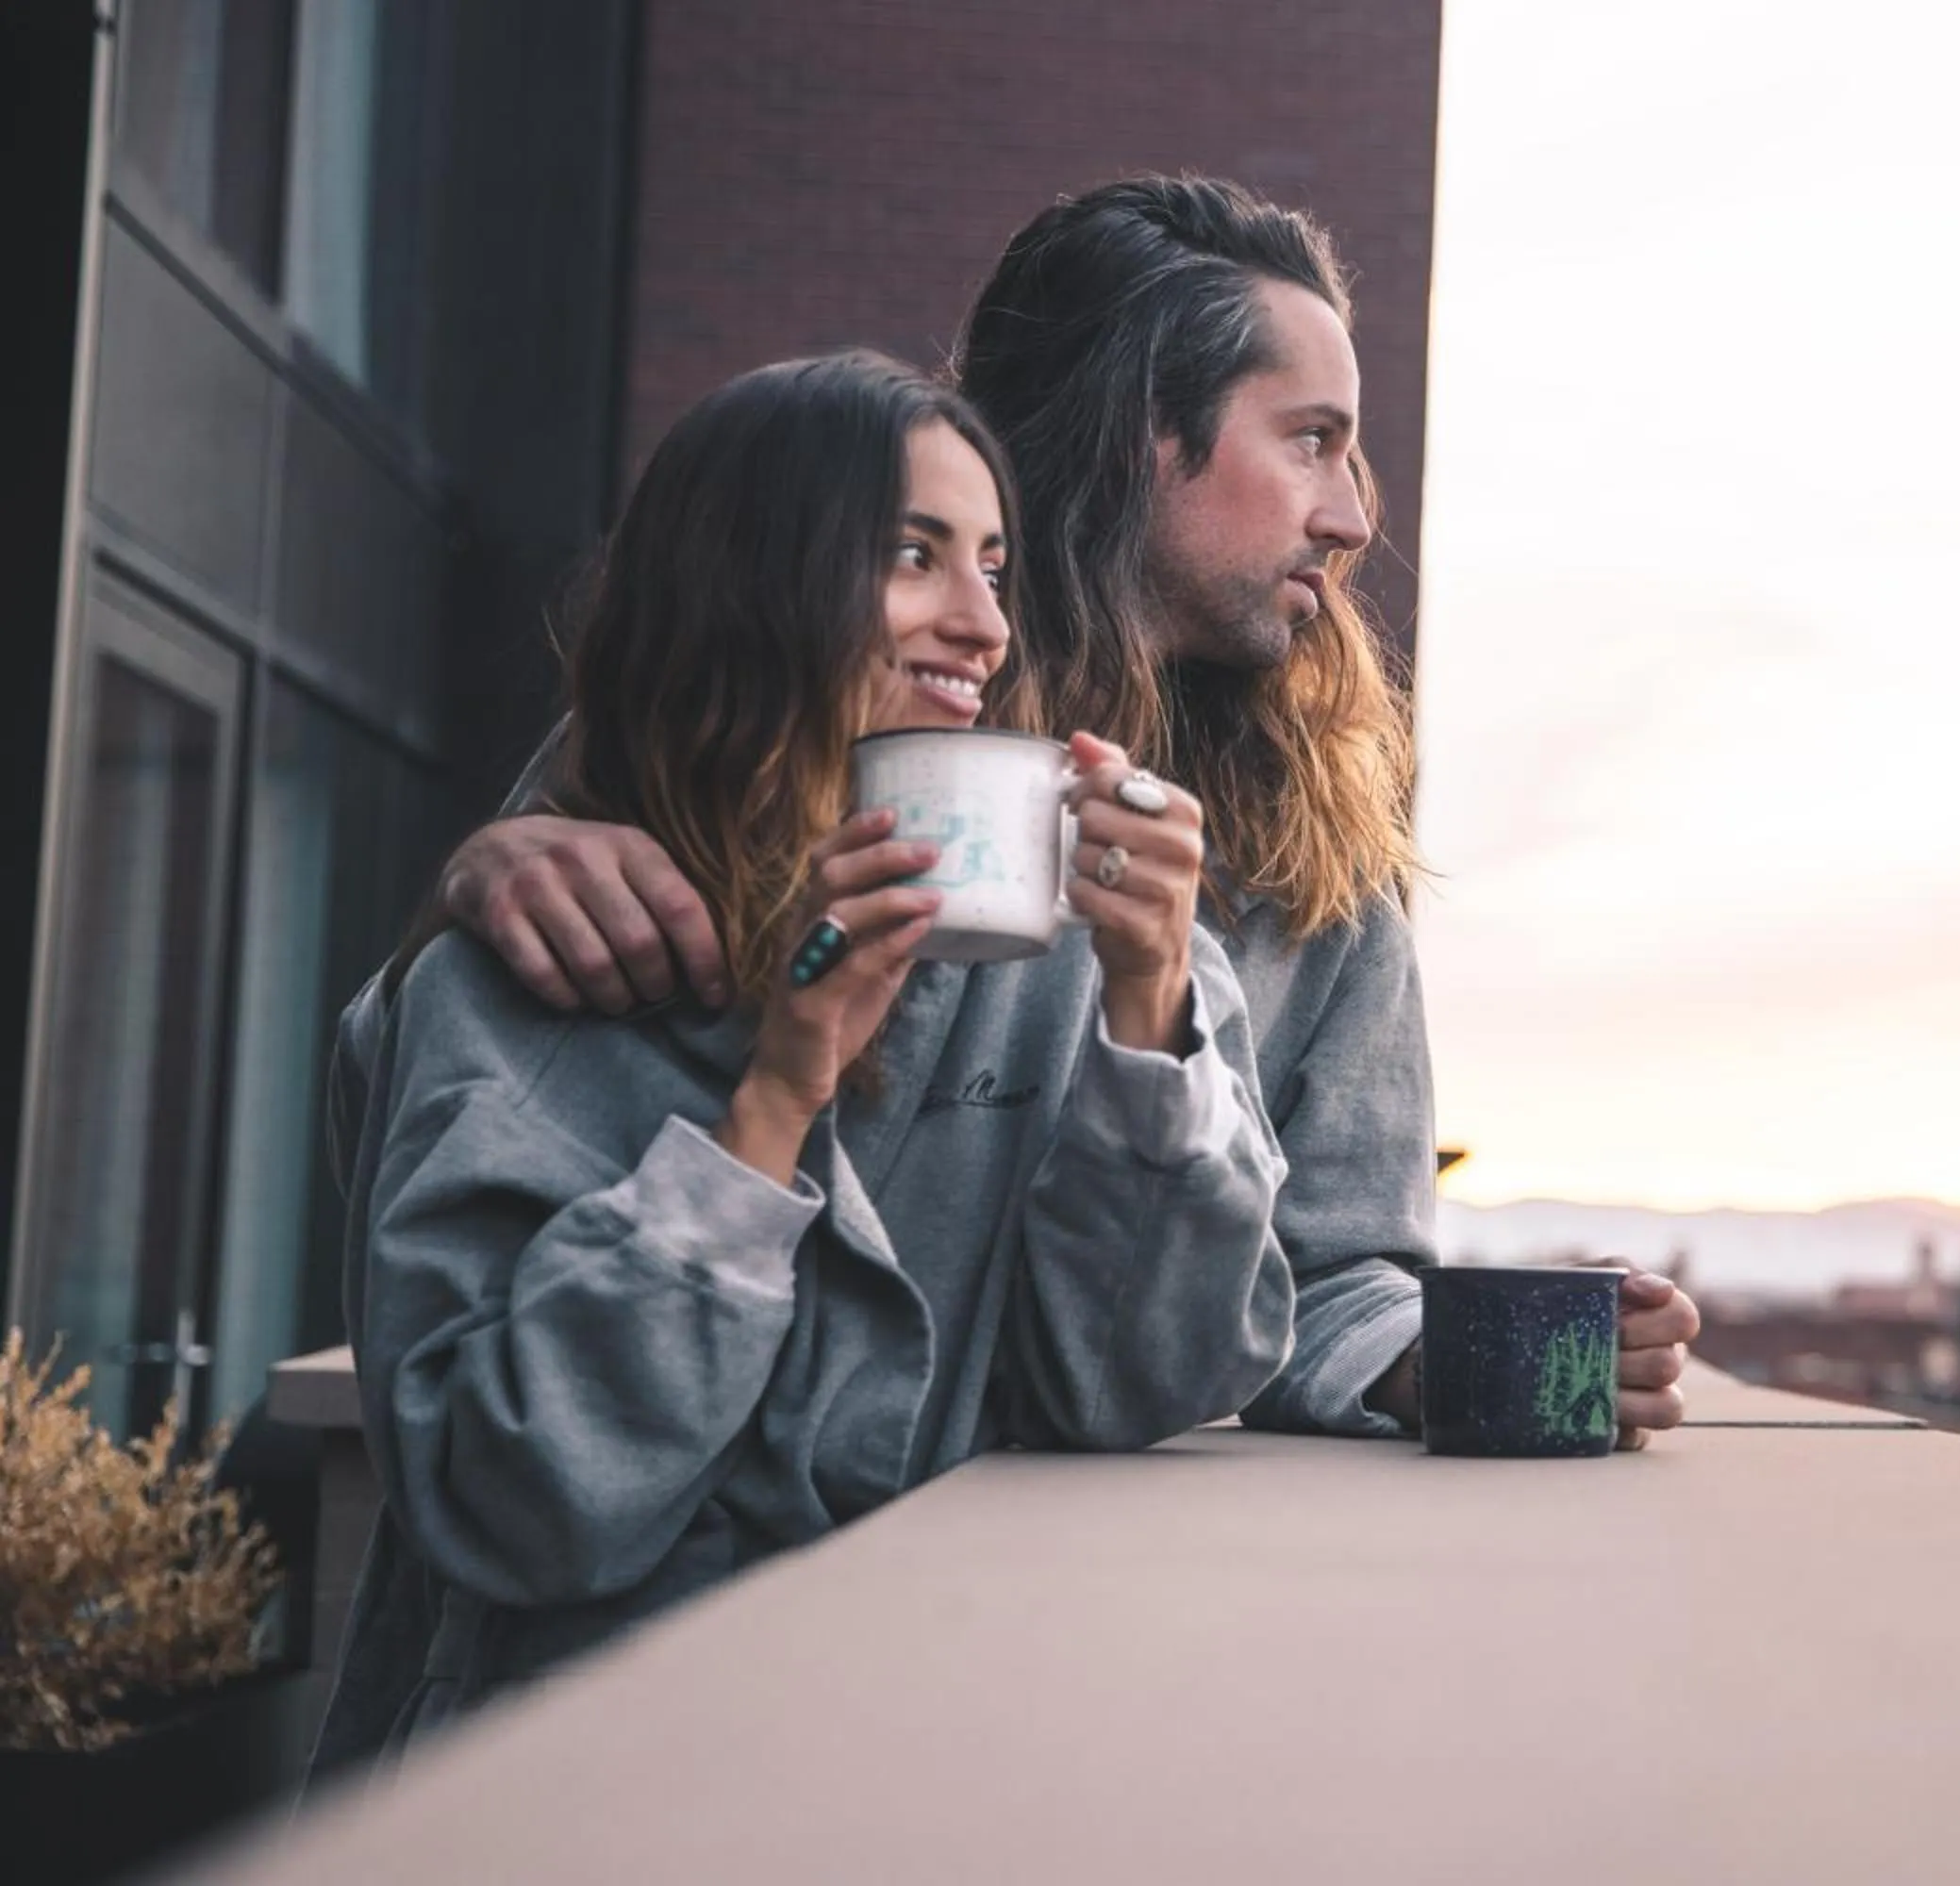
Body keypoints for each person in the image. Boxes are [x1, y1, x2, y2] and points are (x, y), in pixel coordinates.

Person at [370, 176, 1699, 1446]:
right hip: (693, 1524)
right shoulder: (779, 736)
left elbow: (1321, 1283)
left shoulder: (1315, 852)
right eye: (1312, 442)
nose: (1354, 517)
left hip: (1024, 1560)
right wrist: (489, 871)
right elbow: (458, 1086)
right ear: (1141, 437)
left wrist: (1493, 1354)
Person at [312, 353, 1291, 1776]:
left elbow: (1151, 1383)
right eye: (914, 556)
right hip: (577, 1781)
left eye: (994, 567)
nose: (983, 623)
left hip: (937, 1752)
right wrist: (770, 1104)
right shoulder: (528, 973)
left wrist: (1149, 1013)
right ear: (749, 581)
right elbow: (512, 1501)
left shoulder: (1064, 967)